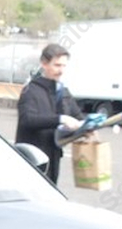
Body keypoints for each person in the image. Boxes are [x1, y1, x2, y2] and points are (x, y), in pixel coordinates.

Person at [15, 43, 86, 184]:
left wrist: (88, 126)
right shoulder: (30, 90)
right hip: (32, 159)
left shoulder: (63, 92)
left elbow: (78, 117)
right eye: (57, 65)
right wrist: (60, 119)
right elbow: (27, 119)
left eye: (64, 66)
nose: (61, 70)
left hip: (54, 157)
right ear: (44, 64)